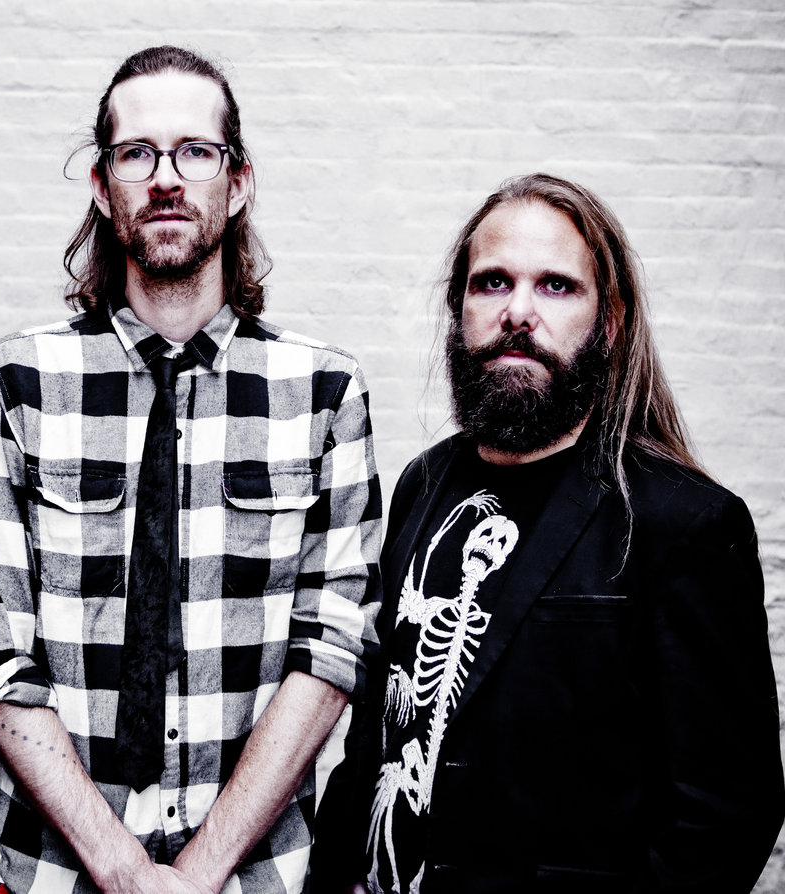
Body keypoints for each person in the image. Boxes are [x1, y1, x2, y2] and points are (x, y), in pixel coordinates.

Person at [0, 45, 383, 894]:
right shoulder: (17, 382)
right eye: (137, 154)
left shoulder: (325, 391)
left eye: (196, 152)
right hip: (47, 876)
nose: (167, 178)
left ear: (239, 182)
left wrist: (198, 874)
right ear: (102, 186)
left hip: (257, 879)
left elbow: (331, 651)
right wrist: (125, 873)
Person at [326, 173, 784, 893]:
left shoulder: (684, 524)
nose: (518, 312)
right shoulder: (423, 482)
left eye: (557, 287)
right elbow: (374, 734)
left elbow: (724, 818)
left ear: (609, 323)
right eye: (492, 282)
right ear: (458, 310)